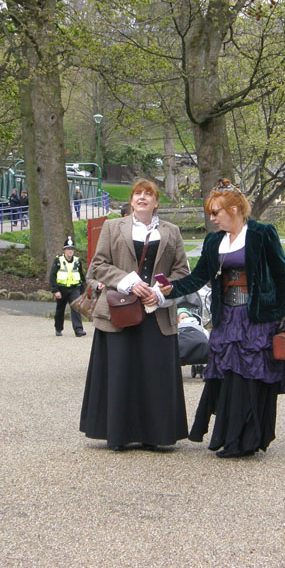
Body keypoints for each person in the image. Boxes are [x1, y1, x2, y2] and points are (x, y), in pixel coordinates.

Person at [162, 178, 285, 459]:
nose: (212, 219)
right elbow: (198, 277)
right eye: (210, 213)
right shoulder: (214, 242)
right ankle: (228, 437)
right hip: (228, 321)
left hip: (257, 319)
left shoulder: (262, 234)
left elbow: (283, 275)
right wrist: (170, 289)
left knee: (252, 378)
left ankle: (246, 441)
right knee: (228, 378)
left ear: (234, 209)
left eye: (216, 213)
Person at [80, 178, 190, 451]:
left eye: (148, 194)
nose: (142, 197)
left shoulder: (172, 231)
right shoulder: (112, 227)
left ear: (156, 202)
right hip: (120, 311)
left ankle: (156, 436)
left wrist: (161, 293)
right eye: (138, 193)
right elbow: (98, 267)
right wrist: (127, 280)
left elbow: (182, 272)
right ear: (131, 200)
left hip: (157, 314)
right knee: (121, 373)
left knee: (154, 374)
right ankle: (119, 434)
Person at [49, 236, 87, 337]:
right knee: (60, 310)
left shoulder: (77, 261)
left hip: (74, 289)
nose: (70, 251)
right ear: (65, 250)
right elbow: (52, 276)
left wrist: (83, 291)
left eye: (72, 249)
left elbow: (82, 276)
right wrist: (55, 290)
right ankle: (58, 328)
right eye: (68, 249)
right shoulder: (58, 260)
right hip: (61, 289)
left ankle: (78, 330)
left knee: (76, 308)